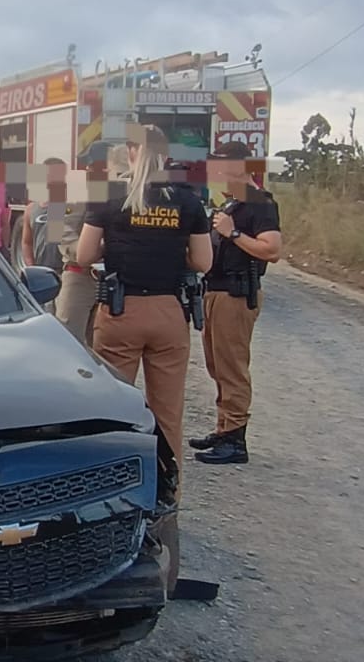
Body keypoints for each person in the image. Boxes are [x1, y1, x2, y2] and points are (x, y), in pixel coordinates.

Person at [75, 124, 212, 496]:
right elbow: (203, 262)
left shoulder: (110, 195)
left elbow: (84, 254)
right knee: (167, 412)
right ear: (165, 155)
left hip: (122, 311)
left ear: (132, 152)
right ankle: (167, 495)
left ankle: (114, 493)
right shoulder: (188, 200)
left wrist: (117, 249)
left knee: (114, 408)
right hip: (169, 313)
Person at [189, 141, 282, 465]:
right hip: (217, 292)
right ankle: (224, 428)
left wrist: (233, 234)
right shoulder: (232, 203)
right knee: (217, 365)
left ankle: (235, 440)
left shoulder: (258, 202)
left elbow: (272, 249)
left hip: (236, 293)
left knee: (232, 368)